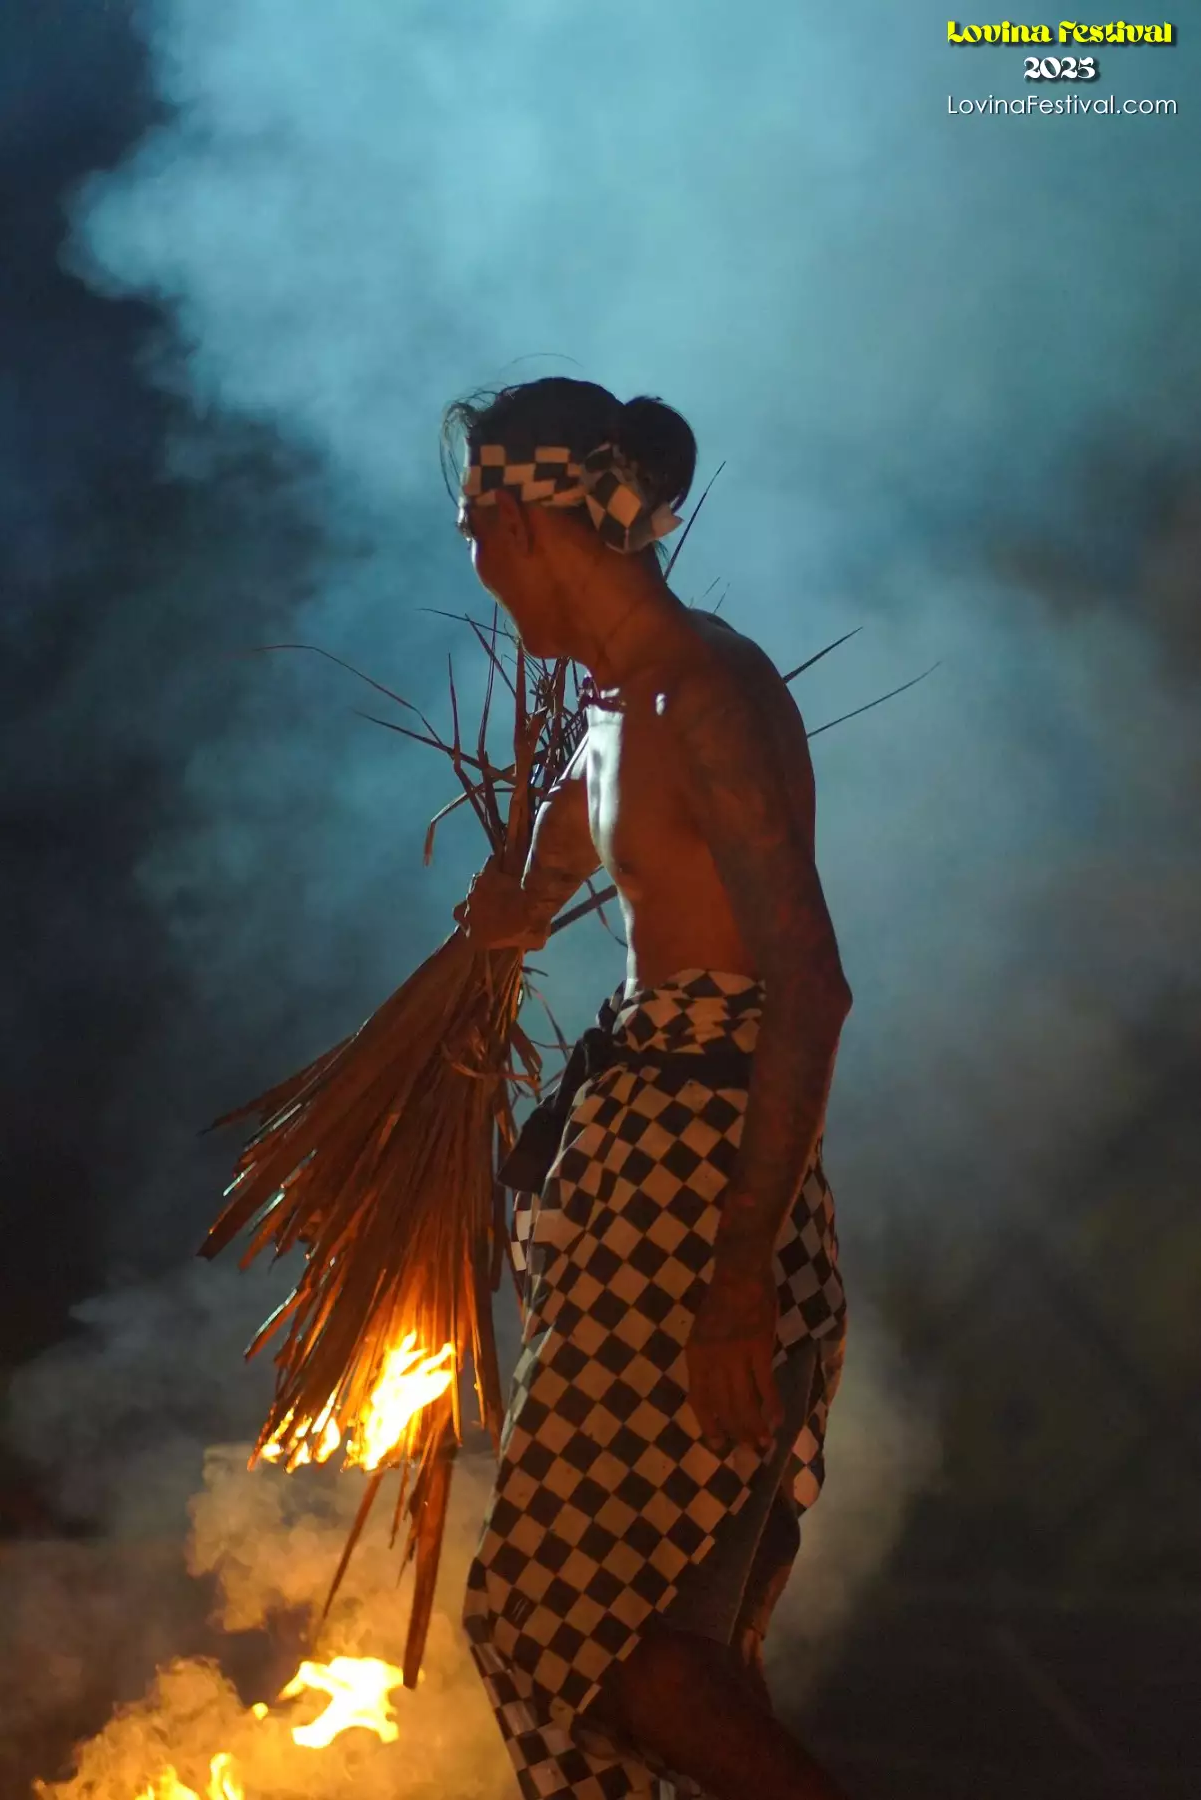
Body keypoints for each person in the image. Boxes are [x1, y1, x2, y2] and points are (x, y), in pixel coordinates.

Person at [448, 376, 852, 1800]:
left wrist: (738, 1278)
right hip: (643, 1173)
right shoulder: (630, 699)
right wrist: (515, 898)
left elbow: (808, 987)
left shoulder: (707, 693)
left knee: (569, 1633)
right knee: (655, 1645)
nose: (480, 571)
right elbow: (570, 849)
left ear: (519, 521)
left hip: (696, 1191)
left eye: (474, 538)